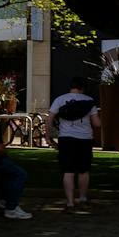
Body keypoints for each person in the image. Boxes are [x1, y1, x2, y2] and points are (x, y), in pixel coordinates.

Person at [47, 77, 102, 214]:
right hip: (85, 138)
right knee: (83, 170)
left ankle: (70, 202)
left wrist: (48, 136)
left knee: (68, 171)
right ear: (83, 87)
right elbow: (97, 124)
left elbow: (49, 119)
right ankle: (82, 199)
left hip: (66, 138)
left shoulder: (60, 100)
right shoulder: (89, 101)